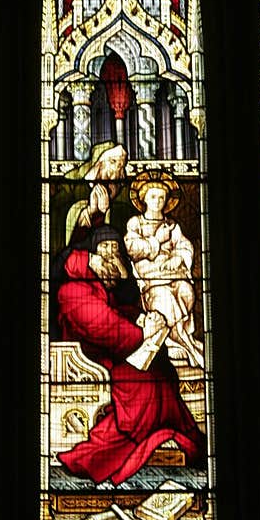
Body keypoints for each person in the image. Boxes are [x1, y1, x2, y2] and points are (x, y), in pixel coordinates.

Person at [55, 227, 206, 486]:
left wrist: (144, 317)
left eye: (116, 250)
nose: (112, 255)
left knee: (160, 373)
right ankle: (97, 458)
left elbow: (121, 310)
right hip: (99, 358)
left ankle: (175, 437)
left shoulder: (104, 287)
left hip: (118, 352)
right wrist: (142, 331)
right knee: (145, 385)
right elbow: (102, 325)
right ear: (92, 255)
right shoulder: (74, 290)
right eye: (105, 249)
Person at [124, 172, 204, 368]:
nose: (157, 201)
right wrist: (156, 241)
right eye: (153, 196)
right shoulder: (136, 223)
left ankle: (178, 337)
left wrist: (178, 258)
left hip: (173, 274)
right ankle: (181, 342)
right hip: (152, 279)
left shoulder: (172, 225)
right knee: (165, 297)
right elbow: (132, 249)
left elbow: (185, 247)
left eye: (161, 197)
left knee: (185, 291)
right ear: (143, 199)